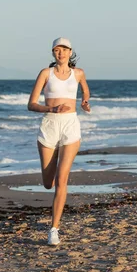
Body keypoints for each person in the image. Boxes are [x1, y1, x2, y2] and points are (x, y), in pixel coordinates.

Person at [27, 37, 91, 246]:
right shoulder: (45, 74)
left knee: (62, 180)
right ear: (53, 53)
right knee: (49, 183)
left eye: (64, 49)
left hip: (70, 126)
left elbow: (85, 88)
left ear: (70, 51)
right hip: (49, 126)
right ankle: (50, 180)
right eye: (56, 50)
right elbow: (31, 104)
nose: (60, 53)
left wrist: (85, 101)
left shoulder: (78, 73)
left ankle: (54, 229)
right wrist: (51, 109)